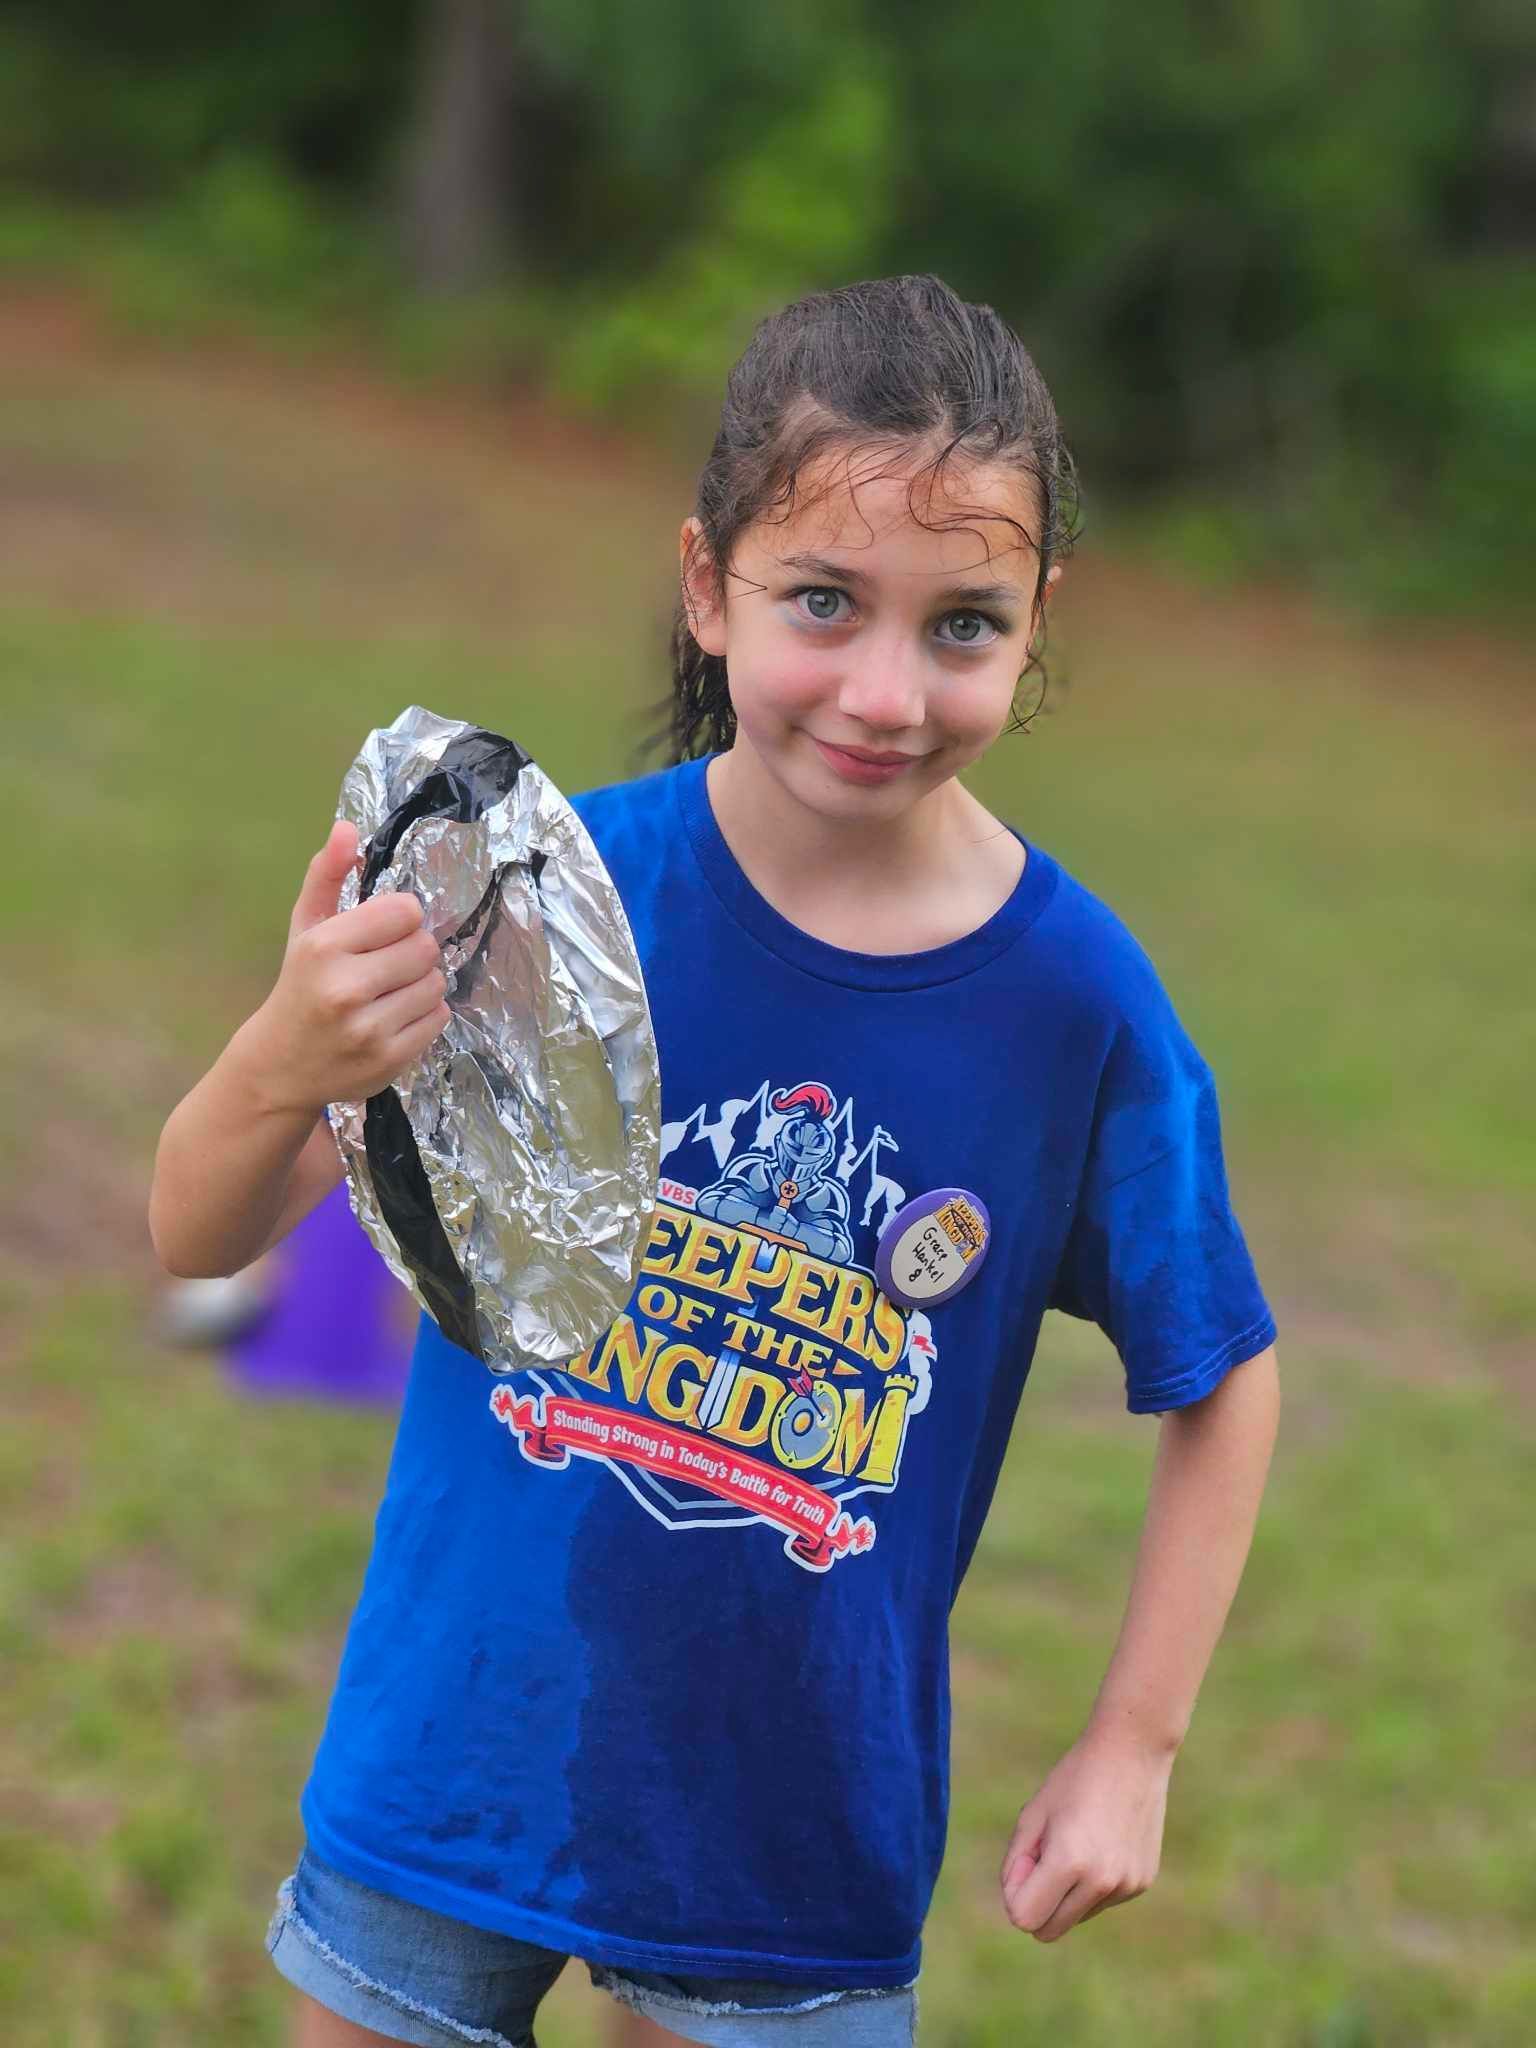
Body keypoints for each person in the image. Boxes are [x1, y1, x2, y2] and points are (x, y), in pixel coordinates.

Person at [148, 273, 1280, 2048]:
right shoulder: (536, 901)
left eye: (965, 624)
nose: (886, 691)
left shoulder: (1075, 1005)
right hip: (454, 1767)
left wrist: (1134, 1742)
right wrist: (287, 1052)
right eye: (822, 603)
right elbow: (201, 1234)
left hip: (788, 1843)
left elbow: (1224, 1377)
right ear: (708, 584)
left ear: (1039, 615)